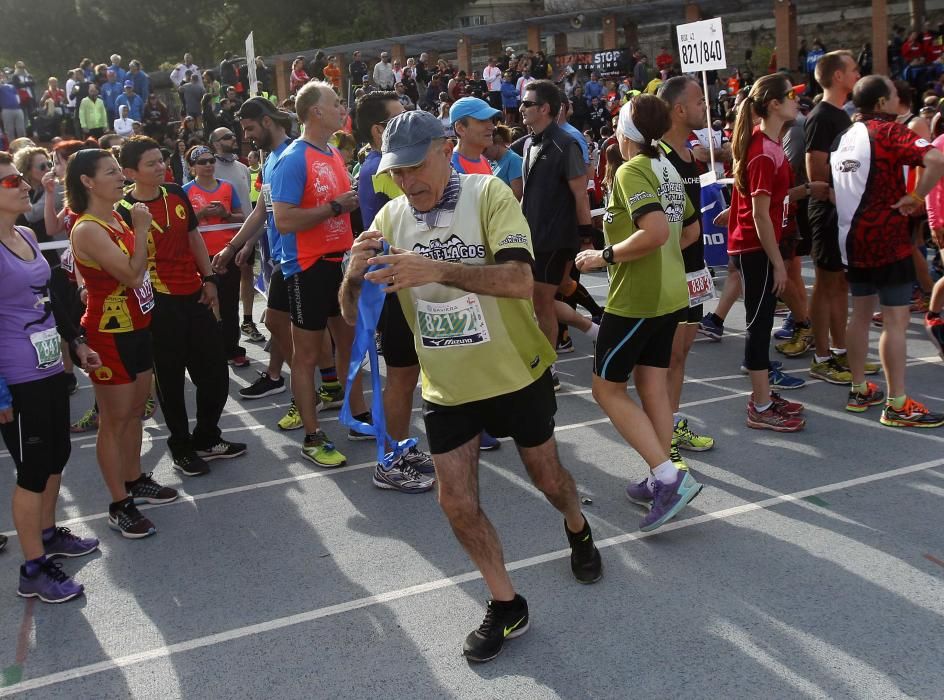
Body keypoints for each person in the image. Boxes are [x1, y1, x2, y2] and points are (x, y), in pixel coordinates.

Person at [340, 109, 602, 663]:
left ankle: (577, 527)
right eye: (397, 172)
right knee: (455, 500)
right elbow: (351, 317)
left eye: (416, 167)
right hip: (448, 385)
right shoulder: (389, 217)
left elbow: (518, 280)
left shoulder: (487, 195)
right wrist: (352, 274)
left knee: (548, 478)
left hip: (515, 374)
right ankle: (507, 603)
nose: (408, 182)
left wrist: (434, 269)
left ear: (444, 148)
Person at [575, 96, 704, 529]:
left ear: (625, 129)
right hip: (669, 294)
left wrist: (605, 255)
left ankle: (669, 477)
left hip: (637, 300)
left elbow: (655, 230)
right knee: (652, 387)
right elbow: (689, 229)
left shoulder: (632, 170)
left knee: (606, 389)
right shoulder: (666, 165)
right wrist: (658, 253)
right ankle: (660, 473)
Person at [0, 150, 101, 602]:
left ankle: (48, 533)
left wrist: (76, 343)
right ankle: (33, 568)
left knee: (57, 453)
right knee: (32, 469)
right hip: (16, 375)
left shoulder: (24, 233)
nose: (24, 184)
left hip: (49, 366)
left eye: (20, 177)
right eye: (10, 182)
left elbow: (51, 298)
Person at [67, 148, 179, 538]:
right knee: (113, 422)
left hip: (137, 326)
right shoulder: (88, 228)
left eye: (119, 170)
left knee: (135, 412)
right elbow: (132, 275)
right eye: (111, 172)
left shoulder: (116, 217)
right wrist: (143, 228)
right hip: (108, 334)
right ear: (87, 181)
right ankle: (118, 503)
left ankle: (134, 479)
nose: (120, 177)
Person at [118, 136, 246, 475]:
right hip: (158, 302)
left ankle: (207, 436)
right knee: (171, 380)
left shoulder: (176, 193)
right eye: (151, 164)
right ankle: (181, 444)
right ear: (130, 172)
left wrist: (210, 279)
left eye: (161, 160)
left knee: (216, 374)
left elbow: (193, 237)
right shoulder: (123, 211)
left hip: (195, 293)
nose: (161, 167)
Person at [833, 75, 944, 426]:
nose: (899, 100)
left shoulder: (843, 135)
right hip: (886, 236)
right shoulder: (889, 131)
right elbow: (937, 160)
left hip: (850, 236)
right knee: (895, 320)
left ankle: (859, 387)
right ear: (882, 103)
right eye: (895, 95)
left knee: (861, 313)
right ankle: (897, 402)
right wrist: (916, 197)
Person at [270, 81, 368, 466]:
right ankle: (312, 437)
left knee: (350, 344)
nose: (342, 106)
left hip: (340, 264)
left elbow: (341, 208)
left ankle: (358, 416)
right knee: (307, 355)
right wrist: (333, 207)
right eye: (335, 102)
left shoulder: (333, 155)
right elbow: (283, 220)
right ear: (315, 112)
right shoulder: (293, 158)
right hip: (307, 269)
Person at [345, 90, 435, 491]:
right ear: (380, 130)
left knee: (407, 373)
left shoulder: (377, 166)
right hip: (393, 284)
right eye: (400, 120)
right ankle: (389, 460)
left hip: (401, 279)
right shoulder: (382, 170)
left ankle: (398, 446)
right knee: (401, 376)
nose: (409, 126)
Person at [729, 73, 829, 432]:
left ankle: (764, 396)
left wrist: (806, 190)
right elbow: (759, 213)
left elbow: (770, 199)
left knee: (762, 322)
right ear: (772, 104)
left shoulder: (770, 145)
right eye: (790, 95)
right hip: (758, 249)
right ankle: (759, 404)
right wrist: (778, 263)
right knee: (759, 327)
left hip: (760, 246)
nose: (796, 100)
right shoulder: (762, 150)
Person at [211, 97, 301, 432]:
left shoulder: (295, 155)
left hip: (299, 260)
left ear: (266, 121)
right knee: (279, 325)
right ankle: (279, 377)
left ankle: (307, 394)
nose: (246, 136)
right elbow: (262, 211)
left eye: (249, 128)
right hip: (280, 257)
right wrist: (237, 244)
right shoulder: (269, 162)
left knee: (288, 328)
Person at [517, 80, 596, 390]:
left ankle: (548, 368)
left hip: (555, 239)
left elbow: (581, 195)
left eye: (527, 103)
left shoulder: (567, 143)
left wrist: (586, 238)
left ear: (544, 108)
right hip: (531, 238)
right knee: (539, 301)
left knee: (542, 302)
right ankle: (597, 330)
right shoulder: (528, 143)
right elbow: (527, 195)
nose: (521, 108)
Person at [656, 76, 717, 457]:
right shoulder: (657, 160)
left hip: (695, 271)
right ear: (679, 109)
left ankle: (671, 424)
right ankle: (661, 438)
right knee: (664, 359)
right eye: (699, 102)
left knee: (681, 355)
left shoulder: (692, 157)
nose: (705, 107)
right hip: (671, 273)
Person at [806, 51, 860, 384]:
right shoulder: (821, 116)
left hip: (840, 211)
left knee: (839, 283)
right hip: (827, 211)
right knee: (825, 284)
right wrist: (833, 193)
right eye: (853, 70)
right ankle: (822, 356)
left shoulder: (840, 115)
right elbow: (815, 165)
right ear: (838, 76)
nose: (858, 74)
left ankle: (841, 352)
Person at [182, 145, 248, 366]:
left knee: (229, 303)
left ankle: (232, 348)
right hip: (200, 256)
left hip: (226, 252)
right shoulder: (185, 191)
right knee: (205, 304)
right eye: (202, 162)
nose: (209, 165)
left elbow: (241, 217)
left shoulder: (227, 188)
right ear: (192, 168)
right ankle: (209, 349)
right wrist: (200, 214)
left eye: (211, 161)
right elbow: (181, 225)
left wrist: (225, 214)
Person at [484, 124, 523, 200]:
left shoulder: (513, 160)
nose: (483, 154)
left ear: (497, 143)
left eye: (485, 149)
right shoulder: (491, 161)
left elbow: (517, 196)